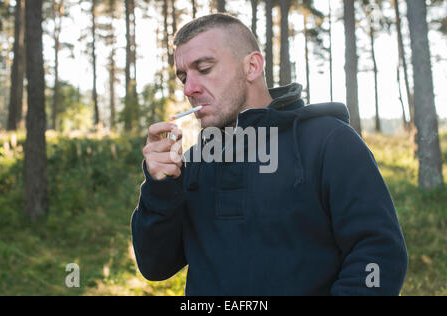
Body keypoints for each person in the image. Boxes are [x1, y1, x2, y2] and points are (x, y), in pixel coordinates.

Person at [131, 13, 408, 296]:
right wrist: (160, 188)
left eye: (204, 68)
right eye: (183, 77)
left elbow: (379, 256)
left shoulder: (329, 142)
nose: (190, 88)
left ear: (252, 66)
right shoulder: (194, 161)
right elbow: (155, 266)